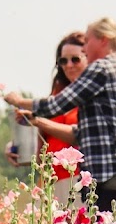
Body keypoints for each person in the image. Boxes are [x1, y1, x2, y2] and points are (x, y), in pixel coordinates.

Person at [4, 17, 116, 216]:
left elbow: (57, 104)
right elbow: (81, 133)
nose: (85, 48)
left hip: (111, 171)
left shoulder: (102, 68)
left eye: (88, 41)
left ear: (104, 40)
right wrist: (36, 120)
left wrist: (19, 101)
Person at [5, 31, 87, 205]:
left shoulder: (92, 98)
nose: (69, 65)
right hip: (50, 180)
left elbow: (78, 133)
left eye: (75, 59)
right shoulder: (56, 97)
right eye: (63, 61)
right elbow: (44, 138)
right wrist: (16, 148)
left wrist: (38, 120)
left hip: (79, 179)